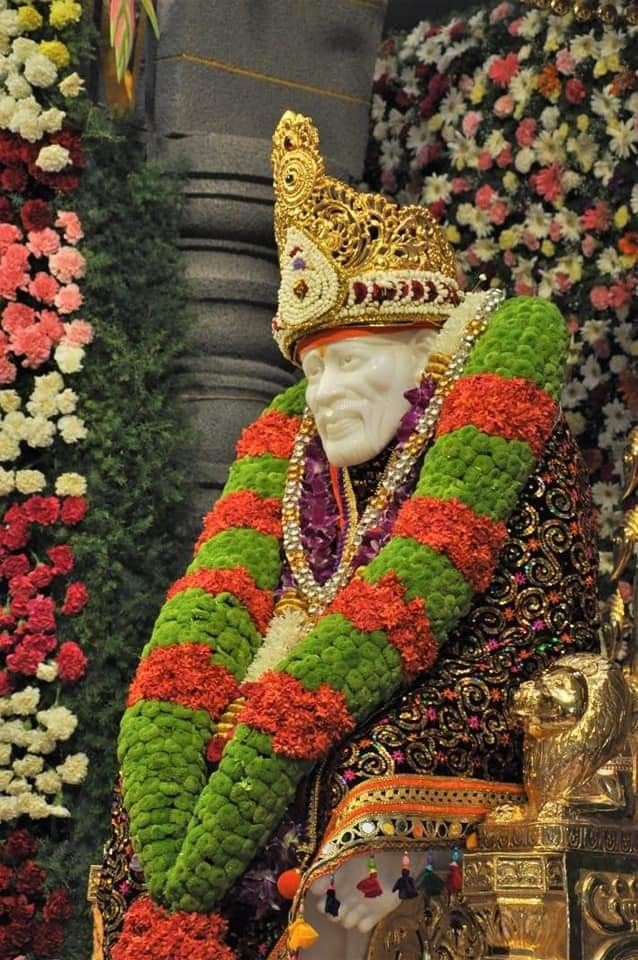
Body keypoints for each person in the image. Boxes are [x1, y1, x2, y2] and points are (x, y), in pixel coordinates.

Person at [102, 111, 599, 960]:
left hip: (451, 723)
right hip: (284, 717)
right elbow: (229, 622)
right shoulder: (292, 456)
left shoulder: (508, 428)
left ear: (424, 353)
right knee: (148, 792)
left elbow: (534, 630)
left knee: (354, 811)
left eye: (349, 361)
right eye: (310, 368)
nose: (323, 391)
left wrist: (341, 735)